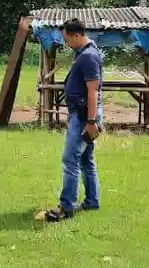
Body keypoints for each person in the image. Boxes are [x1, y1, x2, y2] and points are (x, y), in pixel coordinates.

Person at [45, 18, 104, 222]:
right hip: (83, 115)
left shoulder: (88, 56)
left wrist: (90, 121)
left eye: (67, 39)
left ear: (77, 35)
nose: (66, 43)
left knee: (70, 159)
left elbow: (93, 91)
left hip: (83, 116)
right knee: (86, 159)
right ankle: (92, 201)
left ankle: (66, 206)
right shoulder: (85, 53)